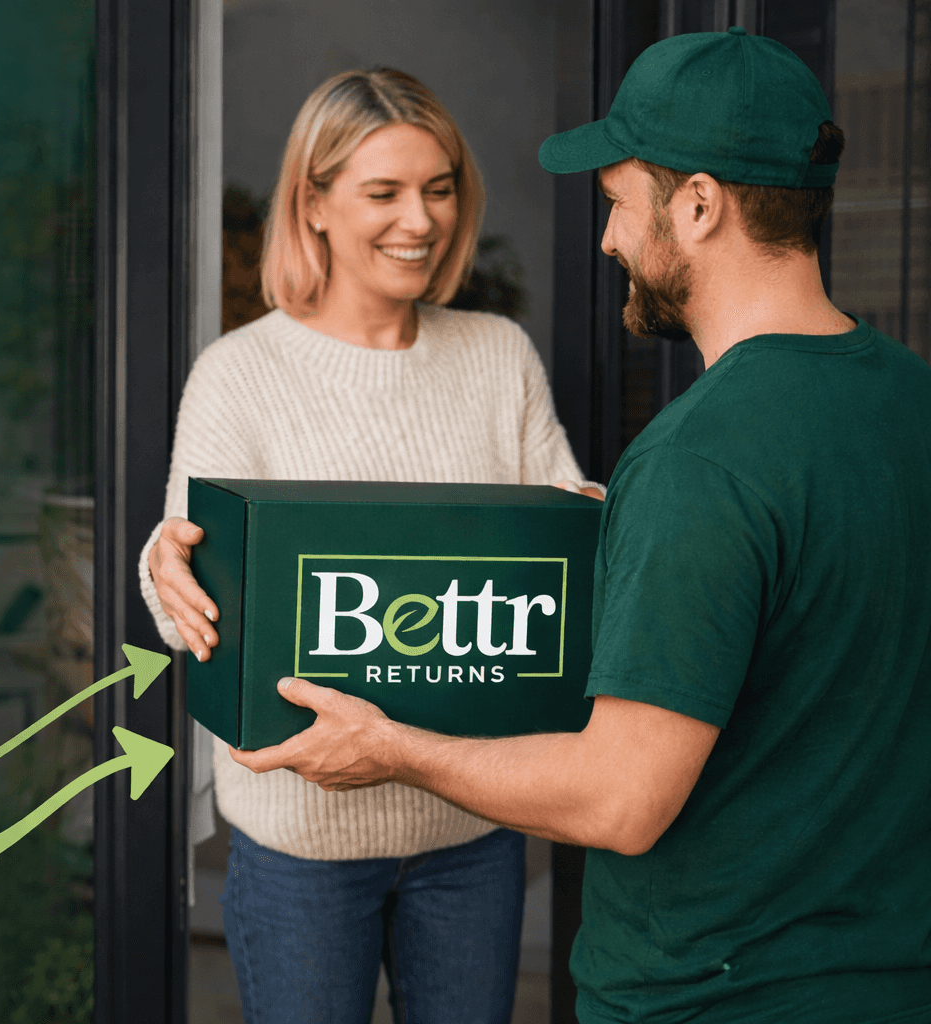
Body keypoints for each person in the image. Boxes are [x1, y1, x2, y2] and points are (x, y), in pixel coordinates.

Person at [231, 28, 931, 1024]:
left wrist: (396, 747)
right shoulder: (911, 399)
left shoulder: (701, 457)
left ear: (696, 205)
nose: (605, 240)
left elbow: (619, 799)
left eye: (617, 202)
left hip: (713, 996)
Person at [140, 68, 592, 1024]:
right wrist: (168, 570)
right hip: (300, 849)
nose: (419, 221)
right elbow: (188, 586)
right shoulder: (240, 375)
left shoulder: (497, 354)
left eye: (439, 188)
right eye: (383, 193)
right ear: (313, 203)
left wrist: (594, 525)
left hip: (473, 828)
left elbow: (561, 554)